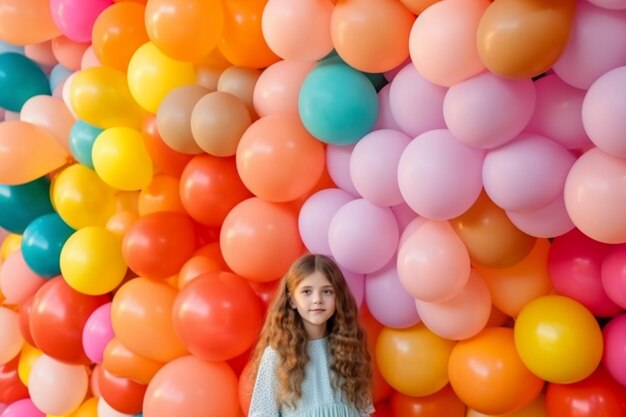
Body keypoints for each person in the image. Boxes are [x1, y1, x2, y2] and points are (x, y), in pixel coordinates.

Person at [247, 253, 374, 417]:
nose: (317, 300)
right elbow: (262, 413)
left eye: (327, 291)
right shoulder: (276, 355)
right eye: (307, 292)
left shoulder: (349, 349)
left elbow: (362, 411)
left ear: (338, 297)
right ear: (292, 300)